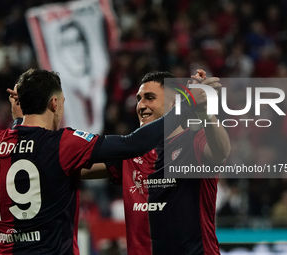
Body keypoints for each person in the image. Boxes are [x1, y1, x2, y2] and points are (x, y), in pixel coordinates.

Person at [0, 68, 205, 255]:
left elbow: (21, 150)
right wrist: (185, 108)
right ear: (54, 103)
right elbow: (132, 144)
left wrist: (19, 117)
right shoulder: (63, 144)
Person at [86, 69, 230, 255]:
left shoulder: (194, 141)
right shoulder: (131, 152)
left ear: (174, 103)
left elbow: (221, 151)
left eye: (149, 97)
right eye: (139, 99)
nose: (140, 105)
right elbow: (76, 169)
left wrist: (205, 113)